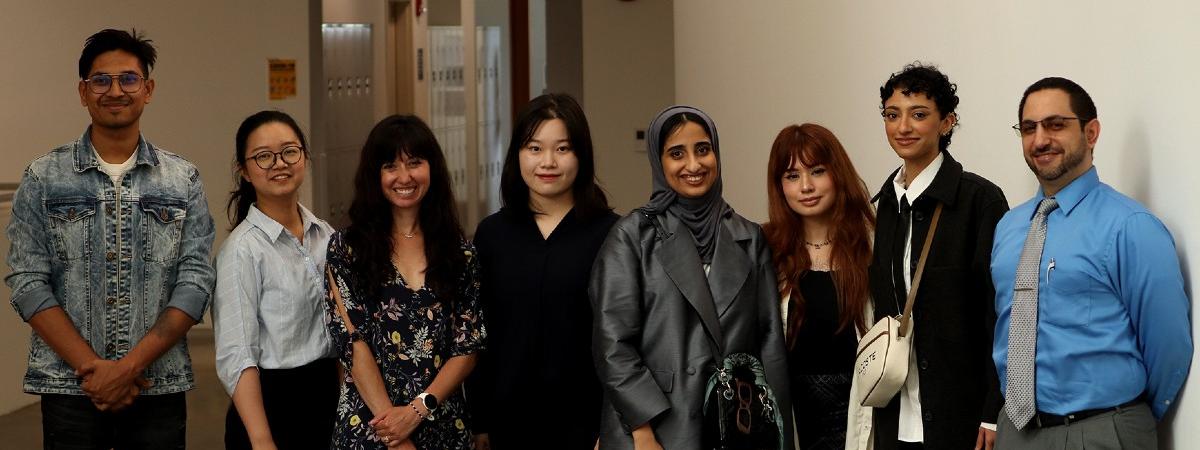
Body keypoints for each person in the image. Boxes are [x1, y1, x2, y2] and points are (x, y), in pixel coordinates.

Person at [5, 28, 215, 448]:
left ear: (148, 89)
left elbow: (194, 284)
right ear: (83, 92)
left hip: (158, 384)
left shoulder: (182, 179)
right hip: (69, 386)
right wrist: (93, 369)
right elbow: (27, 282)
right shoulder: (43, 177)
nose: (115, 90)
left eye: (128, 79)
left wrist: (127, 368)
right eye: (101, 80)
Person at [991, 77, 1191, 448]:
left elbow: (1169, 344)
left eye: (1055, 124)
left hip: (1100, 431)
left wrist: (1125, 421)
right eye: (1029, 128)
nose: (1040, 140)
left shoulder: (1130, 227)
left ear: (1091, 132)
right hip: (1015, 432)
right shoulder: (1009, 227)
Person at [590, 105, 792, 450]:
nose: (694, 165)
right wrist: (642, 431)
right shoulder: (632, 236)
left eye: (703, 149)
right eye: (676, 154)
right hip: (654, 427)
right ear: (658, 161)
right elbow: (613, 344)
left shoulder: (747, 236)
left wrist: (777, 427)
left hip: (734, 424)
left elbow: (768, 338)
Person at [867, 63, 1008, 450]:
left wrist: (992, 411)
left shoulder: (980, 200)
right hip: (896, 413)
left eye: (919, 115)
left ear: (947, 123)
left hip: (961, 415)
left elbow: (999, 313)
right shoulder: (886, 206)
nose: (903, 127)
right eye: (892, 115)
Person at [324, 115, 486, 450]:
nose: (404, 177)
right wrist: (395, 434)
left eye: (414, 163)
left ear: (432, 169)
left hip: (442, 424)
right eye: (390, 166)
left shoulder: (461, 254)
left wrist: (416, 410)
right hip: (370, 425)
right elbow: (353, 342)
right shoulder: (347, 249)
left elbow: (467, 347)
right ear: (375, 175)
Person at [468, 94, 618, 449]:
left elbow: (624, 340)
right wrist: (480, 422)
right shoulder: (492, 235)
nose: (547, 162)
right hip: (509, 423)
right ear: (517, 154)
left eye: (562, 149)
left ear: (581, 155)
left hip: (587, 424)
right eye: (534, 148)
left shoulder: (613, 234)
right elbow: (480, 334)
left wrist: (612, 424)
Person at [213, 110, 338, 449]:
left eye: (289, 151)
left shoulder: (326, 236)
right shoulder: (242, 250)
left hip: (328, 399)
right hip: (271, 408)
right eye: (263, 157)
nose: (279, 163)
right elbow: (237, 355)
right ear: (245, 171)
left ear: (305, 157)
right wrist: (261, 439)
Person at [762, 123, 874, 450]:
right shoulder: (766, 251)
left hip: (859, 412)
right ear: (779, 186)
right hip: (795, 415)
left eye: (817, 171)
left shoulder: (871, 246)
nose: (806, 186)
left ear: (837, 173)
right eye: (792, 176)